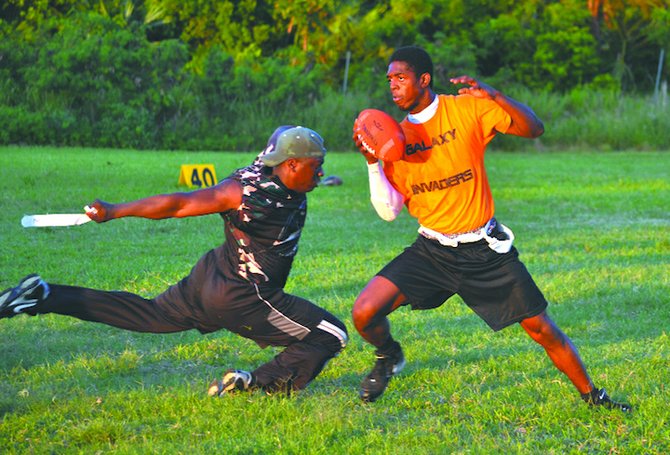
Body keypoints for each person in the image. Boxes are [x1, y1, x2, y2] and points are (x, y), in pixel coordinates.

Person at [351, 45, 630, 411]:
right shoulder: (395, 140)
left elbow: (535, 128)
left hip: (484, 251)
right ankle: (389, 356)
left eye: (401, 78)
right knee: (364, 312)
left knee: (541, 328)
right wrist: (373, 162)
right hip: (432, 251)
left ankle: (594, 397)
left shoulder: (464, 109)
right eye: (390, 80)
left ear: (423, 79)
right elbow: (388, 212)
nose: (393, 86)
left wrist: (495, 96)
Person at [1, 126, 348, 396]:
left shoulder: (261, 167)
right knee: (332, 334)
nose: (320, 174)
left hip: (211, 278)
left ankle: (45, 296)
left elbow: (282, 135)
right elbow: (179, 204)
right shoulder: (245, 195)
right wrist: (115, 211)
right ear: (290, 164)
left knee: (147, 313)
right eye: (316, 167)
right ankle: (257, 385)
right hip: (246, 297)